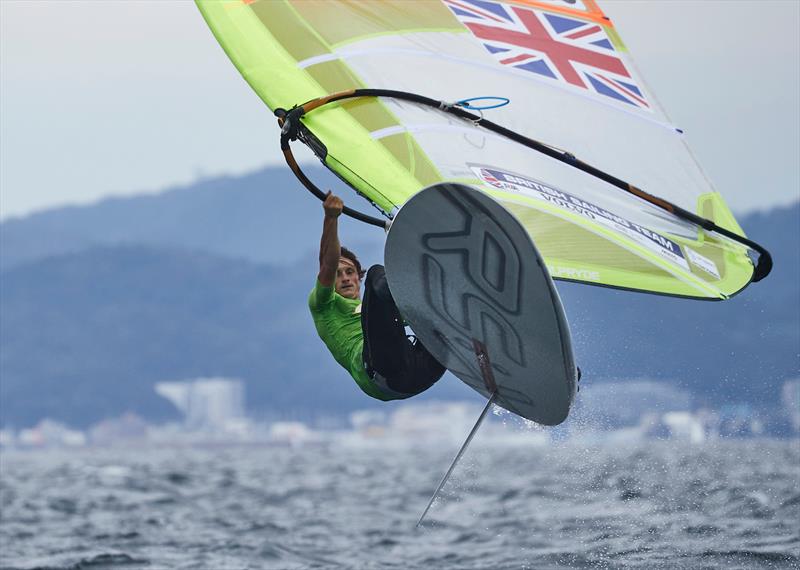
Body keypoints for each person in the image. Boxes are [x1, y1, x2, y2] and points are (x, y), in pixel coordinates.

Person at [308, 191, 445, 400]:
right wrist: (331, 218)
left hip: (421, 371)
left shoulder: (376, 309)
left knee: (430, 307)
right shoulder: (324, 305)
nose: (345, 278)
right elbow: (327, 262)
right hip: (385, 374)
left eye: (350, 272)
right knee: (377, 273)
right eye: (338, 274)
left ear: (357, 278)